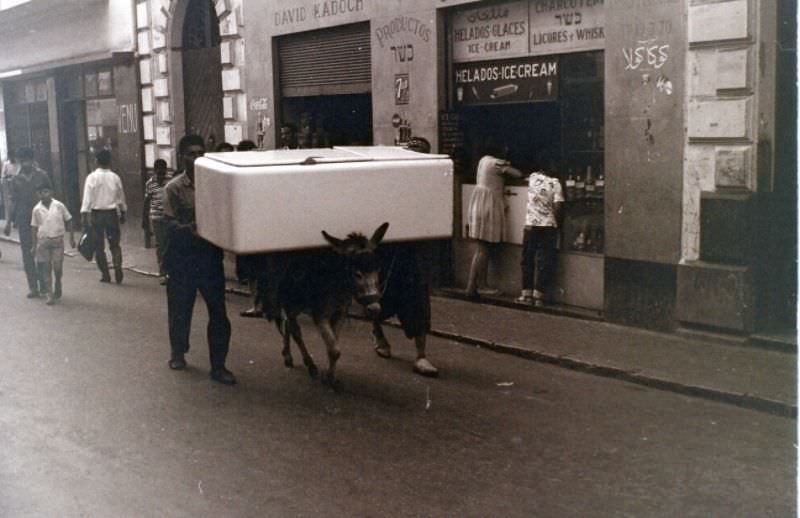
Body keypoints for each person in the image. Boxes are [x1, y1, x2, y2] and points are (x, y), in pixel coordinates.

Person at [163, 134, 236, 385]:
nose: (196, 157)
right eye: (191, 153)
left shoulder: (214, 185)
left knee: (219, 313)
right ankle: (178, 352)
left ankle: (219, 366)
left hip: (209, 257)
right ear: (181, 157)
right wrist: (189, 229)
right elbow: (167, 223)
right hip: (182, 257)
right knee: (180, 309)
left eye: (200, 152)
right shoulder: (172, 188)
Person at [464, 144, 523, 298]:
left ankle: (472, 286)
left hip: (479, 203)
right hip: (488, 205)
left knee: (480, 248)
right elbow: (517, 174)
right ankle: (480, 285)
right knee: (483, 248)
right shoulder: (496, 163)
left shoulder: (483, 160)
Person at [4, 147, 52, 297]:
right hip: (24, 220)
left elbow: (51, 196)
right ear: (19, 161)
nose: (26, 164)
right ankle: (33, 287)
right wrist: (8, 222)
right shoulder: (15, 180)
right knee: (27, 253)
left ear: (32, 160)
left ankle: (44, 285)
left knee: (42, 252)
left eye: (28, 160)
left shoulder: (42, 176)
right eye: (23, 161)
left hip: (42, 220)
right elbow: (12, 202)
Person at [516, 162, 564, 307]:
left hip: (531, 225)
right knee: (544, 261)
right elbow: (558, 207)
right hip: (548, 226)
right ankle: (539, 296)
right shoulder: (556, 184)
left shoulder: (532, 177)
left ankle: (526, 295)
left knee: (527, 259)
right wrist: (558, 222)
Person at [80, 149, 127, 284]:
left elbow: (87, 199)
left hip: (97, 215)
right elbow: (121, 197)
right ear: (110, 161)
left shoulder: (91, 177)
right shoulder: (115, 177)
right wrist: (123, 212)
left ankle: (105, 274)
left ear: (96, 161)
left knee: (98, 246)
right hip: (112, 214)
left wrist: (84, 215)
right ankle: (117, 266)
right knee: (115, 244)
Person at [30, 184, 75, 305]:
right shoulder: (36, 209)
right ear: (38, 194)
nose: (45, 194)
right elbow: (34, 227)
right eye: (42, 192)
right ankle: (49, 294)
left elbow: (69, 219)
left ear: (51, 192)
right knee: (46, 268)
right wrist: (34, 245)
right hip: (43, 241)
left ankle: (58, 282)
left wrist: (71, 237)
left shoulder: (59, 206)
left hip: (57, 240)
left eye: (47, 191)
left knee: (57, 266)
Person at [144, 159, 171, 283]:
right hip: (156, 217)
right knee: (160, 245)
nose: (161, 176)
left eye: (163, 173)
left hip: (168, 217)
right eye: (158, 173)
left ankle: (170, 271)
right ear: (154, 171)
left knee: (169, 245)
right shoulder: (150, 183)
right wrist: (144, 220)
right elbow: (147, 201)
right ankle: (163, 272)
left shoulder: (170, 181)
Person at [1, 148, 20, 223]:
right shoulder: (6, 164)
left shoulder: (18, 164)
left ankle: (16, 220)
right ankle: (8, 220)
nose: (12, 158)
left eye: (13, 156)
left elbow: (18, 174)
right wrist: (8, 177)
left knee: (17, 202)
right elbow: (3, 175)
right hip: (8, 185)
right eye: (10, 156)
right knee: (8, 203)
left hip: (16, 184)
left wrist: (14, 177)